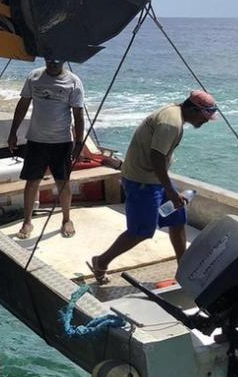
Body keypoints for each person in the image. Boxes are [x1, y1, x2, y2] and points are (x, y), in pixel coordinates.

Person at [88, 90, 218, 284]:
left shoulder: (175, 112)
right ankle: (101, 261)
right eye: (205, 116)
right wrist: (172, 192)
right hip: (142, 181)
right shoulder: (170, 123)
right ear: (192, 109)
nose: (206, 121)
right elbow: (156, 158)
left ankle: (183, 269)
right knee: (140, 231)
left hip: (154, 178)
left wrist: (170, 192)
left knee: (177, 218)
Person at [7, 59, 85, 240]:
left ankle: (67, 219)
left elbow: (78, 114)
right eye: (50, 58)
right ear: (45, 58)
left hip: (62, 141)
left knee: (63, 181)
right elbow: (23, 104)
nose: (53, 62)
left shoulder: (73, 82)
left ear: (64, 59)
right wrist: (13, 132)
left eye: (58, 59)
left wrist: (79, 143)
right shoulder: (34, 76)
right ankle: (27, 221)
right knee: (32, 181)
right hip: (36, 139)